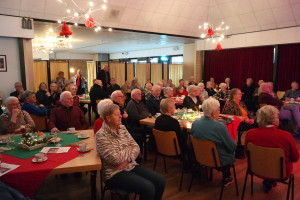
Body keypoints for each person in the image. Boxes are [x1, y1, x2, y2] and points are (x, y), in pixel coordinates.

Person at [96, 103, 165, 200]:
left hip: (130, 164)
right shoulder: (101, 135)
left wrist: (127, 160)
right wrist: (129, 148)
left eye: (120, 113)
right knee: (148, 188)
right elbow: (115, 160)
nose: (121, 116)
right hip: (113, 173)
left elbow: (136, 147)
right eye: (117, 114)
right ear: (108, 118)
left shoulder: (122, 128)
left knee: (160, 181)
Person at [245, 105, 299, 193]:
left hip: (256, 169)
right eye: (277, 117)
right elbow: (295, 158)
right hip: (281, 173)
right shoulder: (285, 136)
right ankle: (270, 180)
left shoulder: (250, 134)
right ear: (274, 120)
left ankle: (268, 181)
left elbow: (247, 154)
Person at [191, 98, 236, 186]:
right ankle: (226, 177)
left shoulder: (195, 123)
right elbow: (232, 147)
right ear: (213, 112)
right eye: (219, 109)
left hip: (199, 156)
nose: (219, 111)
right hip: (217, 159)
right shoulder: (220, 127)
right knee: (230, 150)